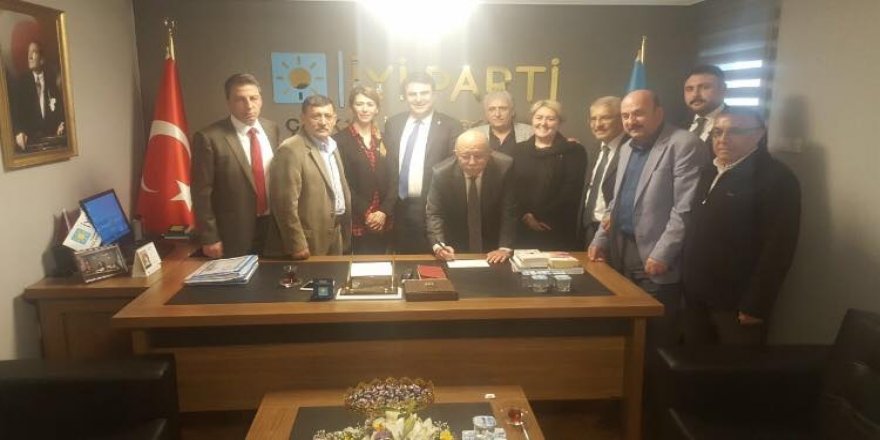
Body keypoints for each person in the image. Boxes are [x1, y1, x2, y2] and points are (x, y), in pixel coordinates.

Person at [588, 90, 707, 347]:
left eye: (638, 114)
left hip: (655, 255)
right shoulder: (627, 147)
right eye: (626, 116)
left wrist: (663, 254)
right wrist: (600, 239)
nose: (631, 121)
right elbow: (616, 201)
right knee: (627, 333)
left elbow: (685, 208)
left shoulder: (683, 144)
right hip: (622, 250)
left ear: (658, 113)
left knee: (656, 338)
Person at [682, 109, 801, 346]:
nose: (723, 139)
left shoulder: (776, 178)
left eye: (735, 131)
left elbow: (779, 248)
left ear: (759, 134)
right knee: (694, 362)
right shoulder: (709, 171)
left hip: (736, 303)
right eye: (717, 132)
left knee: (736, 365)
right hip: (697, 296)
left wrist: (756, 305)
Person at [191, 73, 281, 258]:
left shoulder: (272, 129)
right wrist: (209, 237)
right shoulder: (209, 137)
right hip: (233, 233)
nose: (249, 105)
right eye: (240, 99)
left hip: (273, 227)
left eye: (253, 98)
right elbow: (201, 193)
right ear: (228, 103)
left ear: (261, 100)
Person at [385, 72, 462, 254]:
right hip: (399, 208)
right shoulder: (393, 124)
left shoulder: (451, 126)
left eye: (424, 93)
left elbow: (454, 168)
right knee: (403, 262)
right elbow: (389, 166)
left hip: (434, 209)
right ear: (405, 97)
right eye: (412, 94)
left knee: (434, 262)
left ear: (434, 95)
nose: (418, 99)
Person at [266, 94, 351, 259]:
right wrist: (296, 243)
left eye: (327, 116)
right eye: (316, 116)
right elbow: (284, 204)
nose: (323, 122)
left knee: (336, 275)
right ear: (303, 118)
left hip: (335, 232)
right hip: (308, 240)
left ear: (334, 119)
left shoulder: (332, 146)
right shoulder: (290, 149)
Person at [426, 130, 517, 264]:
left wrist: (504, 248)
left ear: (489, 153)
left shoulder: (504, 167)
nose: (472, 162)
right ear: (456, 154)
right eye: (465, 156)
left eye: (478, 156)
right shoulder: (441, 173)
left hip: (493, 240)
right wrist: (440, 245)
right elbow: (435, 213)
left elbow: (509, 210)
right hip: (455, 243)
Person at [510, 100, 586, 251]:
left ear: (559, 122)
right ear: (532, 120)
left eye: (550, 119)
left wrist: (540, 216)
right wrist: (526, 216)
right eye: (539, 117)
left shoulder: (574, 151)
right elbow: (512, 189)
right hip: (521, 228)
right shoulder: (518, 151)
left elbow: (571, 190)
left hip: (556, 227)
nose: (543, 123)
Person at [334, 86, 396, 254]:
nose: (364, 109)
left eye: (370, 104)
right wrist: (367, 213)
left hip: (384, 218)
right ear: (351, 107)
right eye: (359, 104)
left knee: (384, 265)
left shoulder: (386, 139)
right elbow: (341, 182)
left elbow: (395, 178)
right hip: (357, 218)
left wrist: (383, 211)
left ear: (377, 109)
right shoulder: (338, 141)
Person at [576, 96, 627, 247]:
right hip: (589, 227)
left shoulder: (631, 149)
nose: (598, 124)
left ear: (621, 119)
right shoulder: (594, 148)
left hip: (615, 231)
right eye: (593, 119)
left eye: (605, 118)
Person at [13, 41, 65, 151]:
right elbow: (15, 114)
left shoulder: (51, 81)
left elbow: (60, 110)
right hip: (30, 145)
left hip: (51, 143)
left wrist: (61, 123)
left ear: (42, 59)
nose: (29, 57)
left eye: (34, 52)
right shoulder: (21, 82)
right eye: (28, 52)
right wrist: (18, 132)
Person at [472, 90, 533, 156]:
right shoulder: (474, 135)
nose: (497, 114)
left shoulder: (530, 133)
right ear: (486, 113)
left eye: (503, 109)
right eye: (492, 109)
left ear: (512, 111)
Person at [683, 64, 728, 147]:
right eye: (689, 89)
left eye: (705, 87)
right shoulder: (676, 122)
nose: (695, 95)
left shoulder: (739, 123)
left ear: (723, 90)